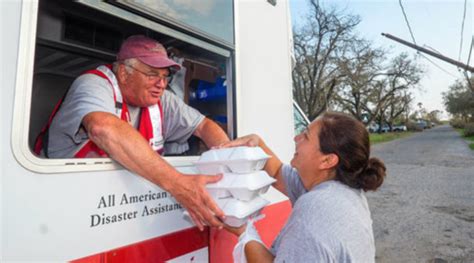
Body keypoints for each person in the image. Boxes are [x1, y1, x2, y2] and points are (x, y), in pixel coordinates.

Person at [37, 35, 230, 230]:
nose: (161, 84)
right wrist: (179, 184)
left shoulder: (161, 98)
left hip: (122, 209)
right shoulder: (93, 83)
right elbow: (102, 127)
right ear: (123, 72)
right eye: (152, 74)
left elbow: (204, 126)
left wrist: (228, 170)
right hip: (61, 205)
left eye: (165, 76)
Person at [220, 112, 387, 262]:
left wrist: (244, 232)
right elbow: (278, 172)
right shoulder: (343, 191)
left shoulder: (316, 209)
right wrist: (257, 144)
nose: (296, 138)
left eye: (306, 136)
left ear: (327, 160)